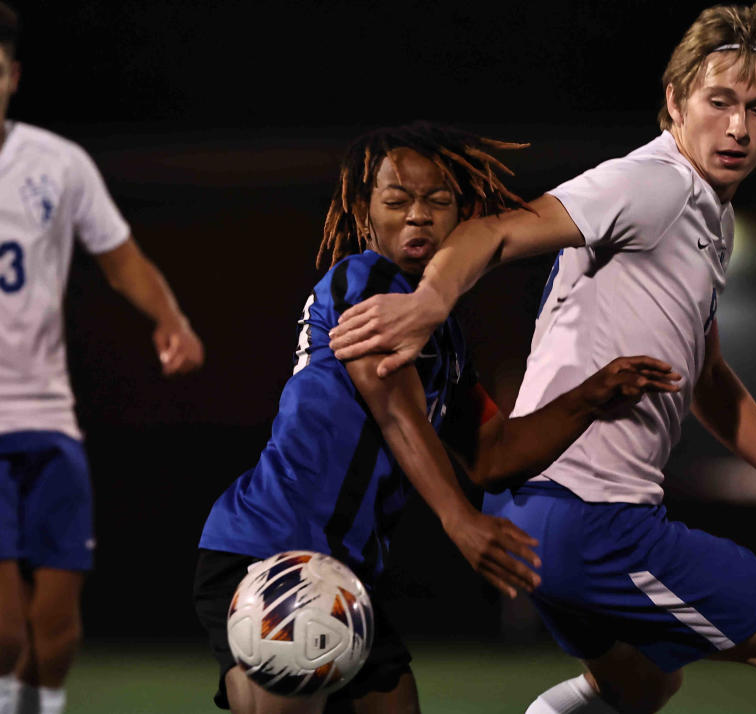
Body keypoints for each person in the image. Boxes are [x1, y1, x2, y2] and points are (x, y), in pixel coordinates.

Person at [327, 7, 756, 714]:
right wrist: (429, 304)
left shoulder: (711, 215)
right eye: (720, 102)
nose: (737, 127)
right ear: (675, 102)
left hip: (541, 514)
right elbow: (494, 233)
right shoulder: (655, 183)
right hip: (589, 519)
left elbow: (707, 379)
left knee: (639, 683)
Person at [193, 122, 682, 714]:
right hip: (273, 547)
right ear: (364, 209)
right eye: (397, 201)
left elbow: (493, 454)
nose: (418, 216)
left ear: (463, 214)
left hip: (346, 573)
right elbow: (394, 410)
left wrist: (593, 395)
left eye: (438, 201)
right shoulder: (364, 278)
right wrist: (459, 522)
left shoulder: (442, 338)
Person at [0, 5, 205, 714]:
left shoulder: (57, 164)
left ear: (12, 76)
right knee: (2, 628)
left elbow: (121, 260)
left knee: (54, 622)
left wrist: (169, 318)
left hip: (50, 417)